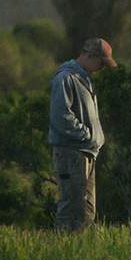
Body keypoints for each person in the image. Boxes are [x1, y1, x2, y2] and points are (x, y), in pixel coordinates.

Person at [48, 38, 117, 232]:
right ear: (88, 56)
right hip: (71, 152)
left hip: (86, 152)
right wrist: (85, 134)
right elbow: (61, 116)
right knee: (71, 206)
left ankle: (78, 249)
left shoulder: (84, 77)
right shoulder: (65, 78)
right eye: (101, 62)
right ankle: (61, 250)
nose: (103, 67)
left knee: (87, 209)